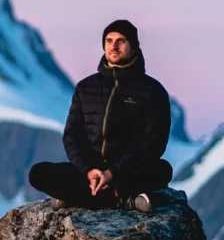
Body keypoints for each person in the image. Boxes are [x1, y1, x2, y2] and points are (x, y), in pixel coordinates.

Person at [29, 19, 172, 212]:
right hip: (89, 171)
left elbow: (154, 144)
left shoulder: (152, 90)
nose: (113, 46)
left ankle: (78, 197)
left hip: (126, 172)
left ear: (134, 47)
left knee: (162, 170)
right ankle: (122, 200)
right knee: (38, 173)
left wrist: (113, 172)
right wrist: (88, 170)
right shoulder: (85, 87)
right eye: (109, 40)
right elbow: (71, 135)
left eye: (120, 41)